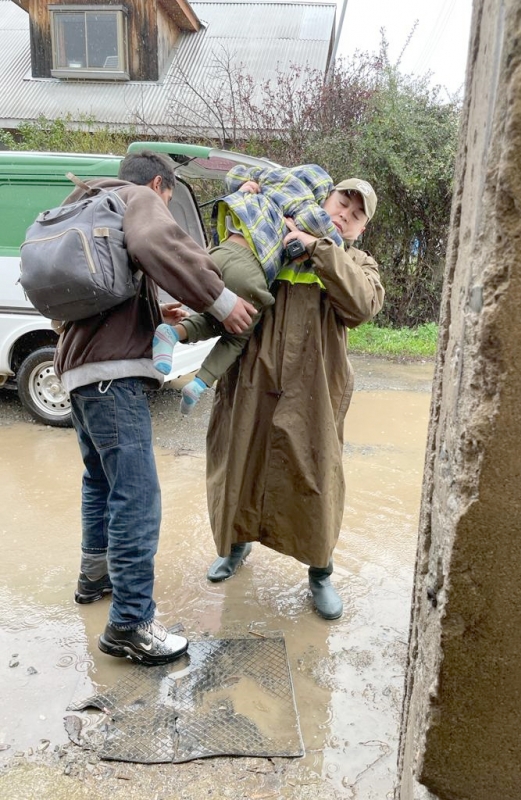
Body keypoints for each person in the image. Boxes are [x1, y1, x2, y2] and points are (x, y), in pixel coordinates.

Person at [54, 150, 256, 665]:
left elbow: (107, 286)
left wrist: (153, 307)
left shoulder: (94, 203)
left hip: (78, 372)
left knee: (101, 482)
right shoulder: (139, 198)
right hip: (112, 378)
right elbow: (154, 242)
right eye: (167, 200)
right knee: (138, 498)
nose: (162, 208)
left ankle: (93, 578)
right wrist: (222, 301)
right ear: (162, 186)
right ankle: (130, 625)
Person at [204, 176, 384, 620]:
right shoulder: (273, 230)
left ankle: (320, 572)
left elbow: (362, 306)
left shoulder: (356, 260)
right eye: (342, 203)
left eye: (356, 215)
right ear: (325, 199)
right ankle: (235, 547)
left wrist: (320, 248)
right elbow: (226, 262)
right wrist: (247, 203)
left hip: (314, 392)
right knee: (239, 464)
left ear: (361, 229)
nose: (345, 214)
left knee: (316, 475)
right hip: (251, 379)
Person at [151, 164, 345, 414]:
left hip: (216, 256)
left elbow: (234, 173)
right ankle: (200, 383)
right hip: (250, 271)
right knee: (237, 334)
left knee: (216, 316)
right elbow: (332, 241)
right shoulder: (305, 204)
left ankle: (172, 333)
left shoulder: (265, 182)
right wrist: (322, 242)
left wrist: (244, 187)